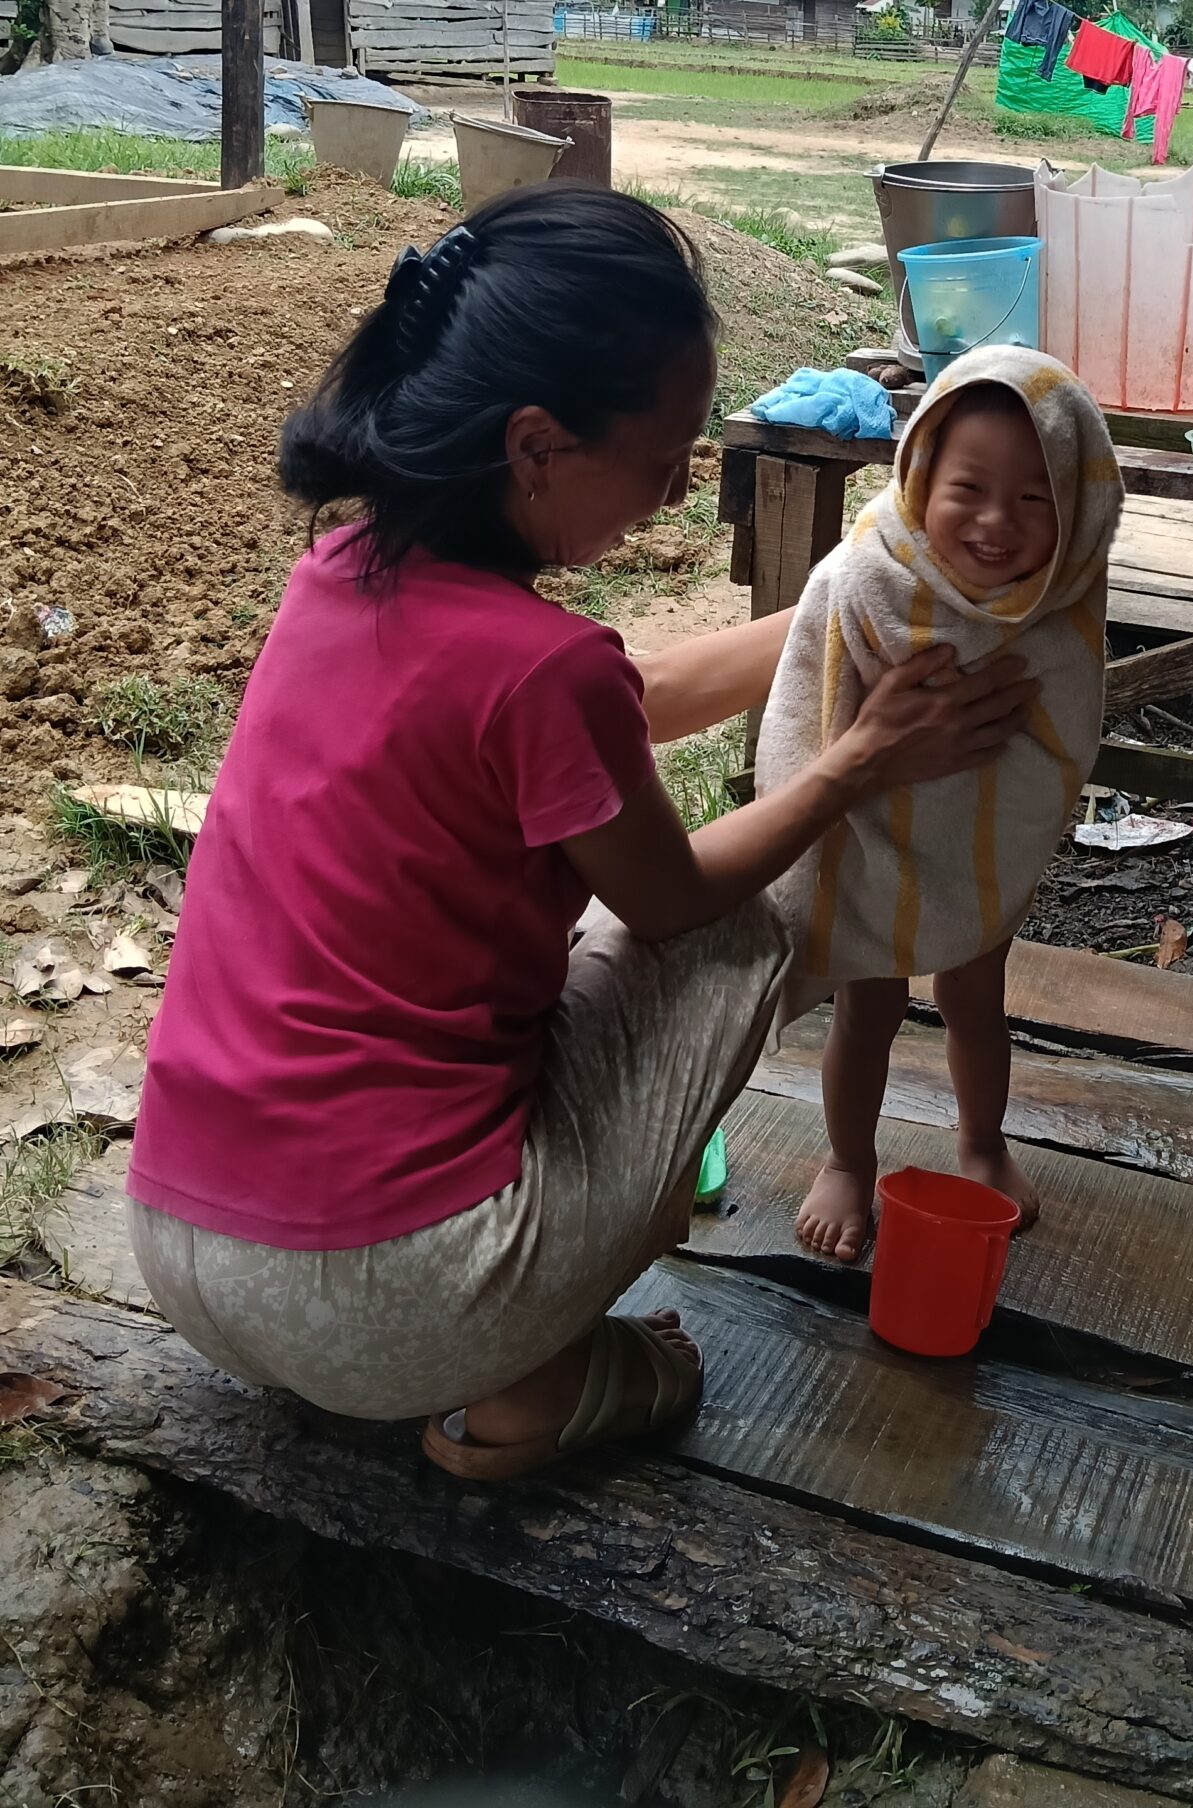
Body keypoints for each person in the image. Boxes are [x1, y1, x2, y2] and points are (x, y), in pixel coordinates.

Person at [124, 187, 1035, 1482]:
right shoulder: (547, 672)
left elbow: (622, 704)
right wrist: (860, 760)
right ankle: (545, 1379)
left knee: (632, 906)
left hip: (185, 1249)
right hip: (392, 1295)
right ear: (538, 447)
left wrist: (840, 612)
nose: (674, 493)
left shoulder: (340, 578)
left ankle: (503, 1317)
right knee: (766, 910)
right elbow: (672, 900)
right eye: (663, 459)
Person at [755, 345, 1121, 1262]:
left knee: (975, 997)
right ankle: (847, 1159)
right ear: (921, 475)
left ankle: (982, 1144)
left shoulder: (1061, 596)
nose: (998, 522)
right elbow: (808, 704)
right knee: (867, 1010)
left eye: (1035, 497)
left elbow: (1065, 724)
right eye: (969, 489)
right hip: (874, 835)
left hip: (979, 842)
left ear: (1077, 507)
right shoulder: (867, 574)